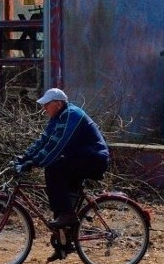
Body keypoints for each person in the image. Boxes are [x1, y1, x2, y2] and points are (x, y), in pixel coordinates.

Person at [15, 88, 110, 231]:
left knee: (53, 168)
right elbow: (43, 140)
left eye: (47, 104)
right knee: (63, 198)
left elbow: (55, 145)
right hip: (80, 158)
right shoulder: (57, 118)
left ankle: (67, 215)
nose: (44, 108)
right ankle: (63, 242)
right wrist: (25, 157)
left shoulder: (71, 115)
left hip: (94, 159)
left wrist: (34, 162)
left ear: (58, 104)